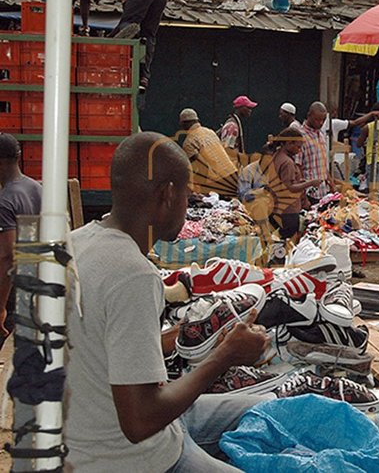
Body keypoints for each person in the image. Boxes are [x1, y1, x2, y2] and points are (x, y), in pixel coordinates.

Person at [65, 132, 270, 471]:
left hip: (86, 434)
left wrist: (183, 338)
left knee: (265, 406)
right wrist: (224, 357)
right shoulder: (133, 274)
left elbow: (97, 342)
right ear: (168, 195)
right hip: (126, 458)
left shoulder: (76, 242)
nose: (188, 209)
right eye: (188, 197)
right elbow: (140, 421)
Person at [73, 0, 166, 90]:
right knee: (148, 35)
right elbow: (129, 9)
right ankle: (143, 76)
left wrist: (69, 0)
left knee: (127, 24)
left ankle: (113, 49)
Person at [239, 128, 322, 240]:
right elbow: (289, 187)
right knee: (286, 243)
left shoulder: (278, 157)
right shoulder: (287, 162)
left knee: (280, 244)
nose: (299, 151)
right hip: (288, 210)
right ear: (288, 143)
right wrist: (311, 183)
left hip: (278, 209)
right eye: (298, 147)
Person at [0, 134, 41, 345]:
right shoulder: (37, 189)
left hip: (17, 296)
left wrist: (0, 308)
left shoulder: (5, 201)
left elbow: (8, 256)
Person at [178, 108, 237, 195]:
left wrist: (200, 191)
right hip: (233, 175)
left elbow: (203, 167)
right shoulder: (210, 132)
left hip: (218, 182)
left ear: (184, 123)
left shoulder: (189, 142)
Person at [297, 101, 332, 203]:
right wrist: (303, 196)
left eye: (323, 120)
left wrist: (331, 184)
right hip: (310, 193)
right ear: (309, 115)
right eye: (317, 120)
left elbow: (323, 165)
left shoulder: (321, 135)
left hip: (323, 192)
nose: (321, 123)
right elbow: (297, 167)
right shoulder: (300, 136)